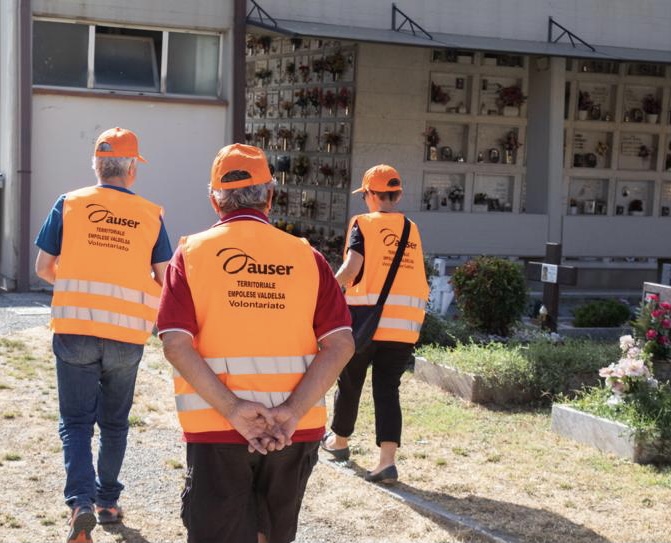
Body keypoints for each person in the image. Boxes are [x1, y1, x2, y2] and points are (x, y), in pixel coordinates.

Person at [157, 143, 354, 543]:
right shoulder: (308, 257)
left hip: (217, 426)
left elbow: (176, 344)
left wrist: (233, 409)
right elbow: (341, 344)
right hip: (293, 429)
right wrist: (291, 411)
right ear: (270, 196)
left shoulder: (190, 254)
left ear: (215, 200)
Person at [34, 127, 173, 543]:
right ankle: (107, 503)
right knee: (114, 423)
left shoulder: (69, 203)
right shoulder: (150, 214)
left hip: (75, 329)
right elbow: (165, 279)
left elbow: (43, 267)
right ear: (131, 169)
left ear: (97, 166)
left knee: (76, 422)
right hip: (126, 334)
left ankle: (80, 503)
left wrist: (75, 284)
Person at [321, 164, 429, 483]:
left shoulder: (364, 223)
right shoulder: (411, 228)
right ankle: (386, 462)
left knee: (350, 381)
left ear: (370, 194)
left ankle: (339, 442)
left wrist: (328, 290)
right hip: (404, 326)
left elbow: (352, 268)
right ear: (397, 195)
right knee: (387, 390)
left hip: (364, 320)